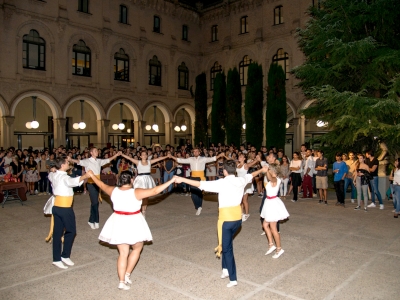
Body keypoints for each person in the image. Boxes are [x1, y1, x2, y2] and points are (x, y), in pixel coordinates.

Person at [174, 161, 268, 288]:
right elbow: (252, 174)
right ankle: (224, 269)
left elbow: (200, 184)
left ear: (224, 171)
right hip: (238, 220)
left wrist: (181, 179)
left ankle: (233, 278)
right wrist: (263, 169)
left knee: (227, 249)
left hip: (226, 220)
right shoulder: (241, 180)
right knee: (225, 243)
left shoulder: (221, 183)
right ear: (234, 170)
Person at [86, 170, 176, 290]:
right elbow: (155, 191)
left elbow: (101, 185)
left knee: (123, 253)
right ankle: (127, 274)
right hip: (133, 220)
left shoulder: (113, 190)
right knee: (137, 248)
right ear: (132, 180)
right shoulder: (136, 192)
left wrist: (92, 175)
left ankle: (122, 281)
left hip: (118, 220)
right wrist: (171, 180)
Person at [47, 156, 91, 269]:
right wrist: (85, 176)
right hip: (65, 208)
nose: (68, 164)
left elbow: (50, 174)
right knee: (71, 231)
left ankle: (57, 258)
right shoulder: (64, 178)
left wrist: (53, 170)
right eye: (67, 162)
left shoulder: (53, 175)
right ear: (62, 165)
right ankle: (65, 255)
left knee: (57, 233)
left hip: (57, 207)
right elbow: (72, 182)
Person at [68, 147, 121, 229]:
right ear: (91, 153)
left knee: (95, 203)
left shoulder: (99, 161)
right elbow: (79, 161)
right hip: (91, 183)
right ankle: (95, 220)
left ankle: (92, 220)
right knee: (95, 202)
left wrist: (116, 155)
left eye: (97, 150)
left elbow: (108, 160)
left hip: (98, 183)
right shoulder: (87, 161)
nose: (97, 152)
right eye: (95, 151)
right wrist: (71, 159)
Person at [170, 148, 225, 215]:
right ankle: (198, 206)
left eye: (196, 151)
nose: (195, 152)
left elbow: (212, 159)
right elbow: (181, 160)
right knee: (193, 194)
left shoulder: (203, 159)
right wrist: (172, 157)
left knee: (199, 192)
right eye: (194, 151)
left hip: (200, 177)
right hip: (193, 177)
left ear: (199, 152)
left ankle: (199, 207)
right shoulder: (191, 159)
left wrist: (219, 155)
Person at [121, 150, 169, 216]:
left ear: (147, 156)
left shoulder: (149, 162)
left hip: (147, 179)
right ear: (140, 156)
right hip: (140, 179)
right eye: (142, 154)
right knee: (138, 195)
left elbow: (159, 158)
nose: (144, 155)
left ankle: (143, 211)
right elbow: (129, 158)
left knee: (146, 197)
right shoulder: (138, 162)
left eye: (145, 154)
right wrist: (122, 154)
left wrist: (167, 156)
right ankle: (136, 209)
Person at [261, 163, 290, 259]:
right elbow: (269, 178)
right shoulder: (273, 178)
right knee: (265, 225)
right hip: (269, 202)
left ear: (273, 171)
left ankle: (279, 248)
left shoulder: (276, 179)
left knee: (273, 229)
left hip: (273, 204)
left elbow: (270, 178)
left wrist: (267, 171)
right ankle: (271, 244)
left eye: (270, 169)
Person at [236, 153, 260, 221]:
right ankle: (241, 213)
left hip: (245, 184)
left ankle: (247, 214)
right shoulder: (237, 164)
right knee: (240, 200)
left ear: (244, 158)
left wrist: (256, 159)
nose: (239, 157)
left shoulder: (245, 165)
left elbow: (252, 163)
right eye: (239, 156)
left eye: (241, 156)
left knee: (244, 200)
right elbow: (231, 160)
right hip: (239, 184)